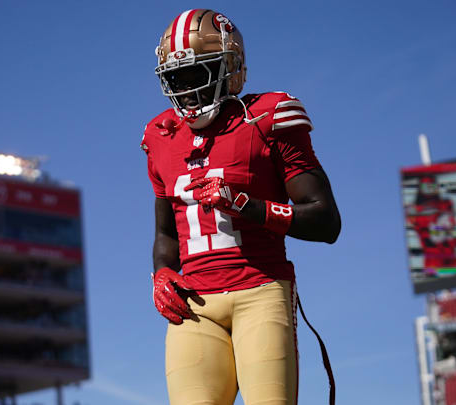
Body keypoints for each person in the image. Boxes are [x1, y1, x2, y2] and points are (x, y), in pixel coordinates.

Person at [141, 9, 341, 405]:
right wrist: (162, 274)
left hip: (260, 289)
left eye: (197, 76)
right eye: (176, 79)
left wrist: (248, 206)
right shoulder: (160, 135)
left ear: (230, 67)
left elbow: (326, 220)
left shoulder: (268, 117)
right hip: (194, 303)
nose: (187, 91)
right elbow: (166, 233)